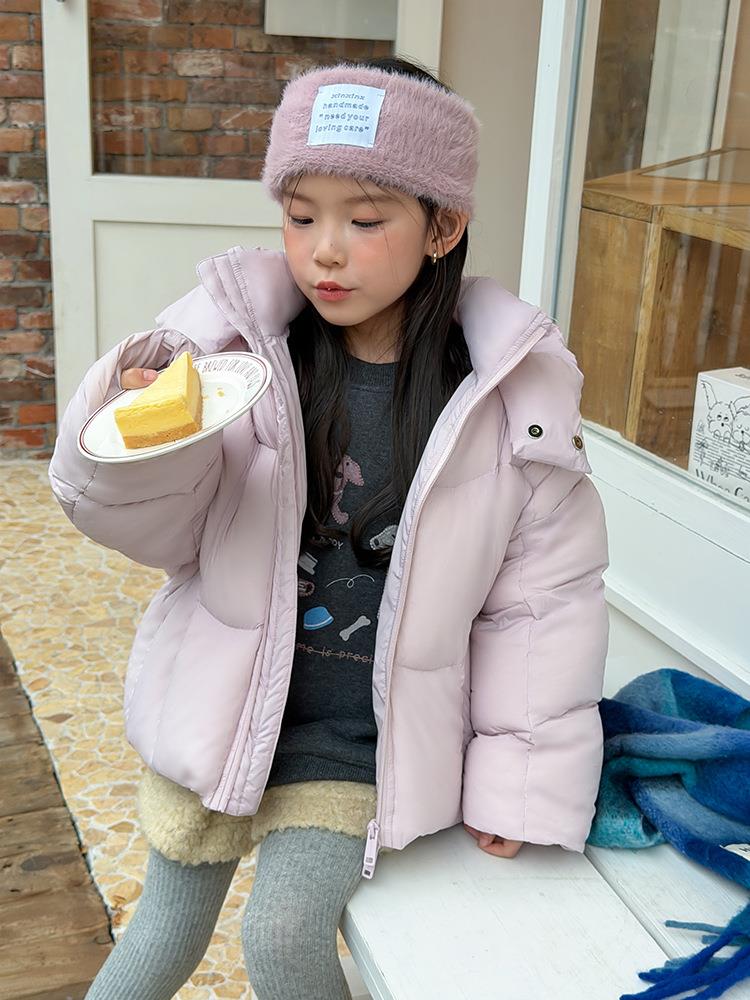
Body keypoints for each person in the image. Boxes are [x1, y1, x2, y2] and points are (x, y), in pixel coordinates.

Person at [48, 56, 610, 1000]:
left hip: (358, 745)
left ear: (443, 226)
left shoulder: (507, 401)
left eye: (365, 219)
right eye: (301, 216)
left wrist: (518, 785)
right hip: (223, 711)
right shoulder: (234, 350)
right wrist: (139, 432)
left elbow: (542, 607)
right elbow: (151, 528)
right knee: (158, 940)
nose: (325, 253)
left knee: (280, 938)